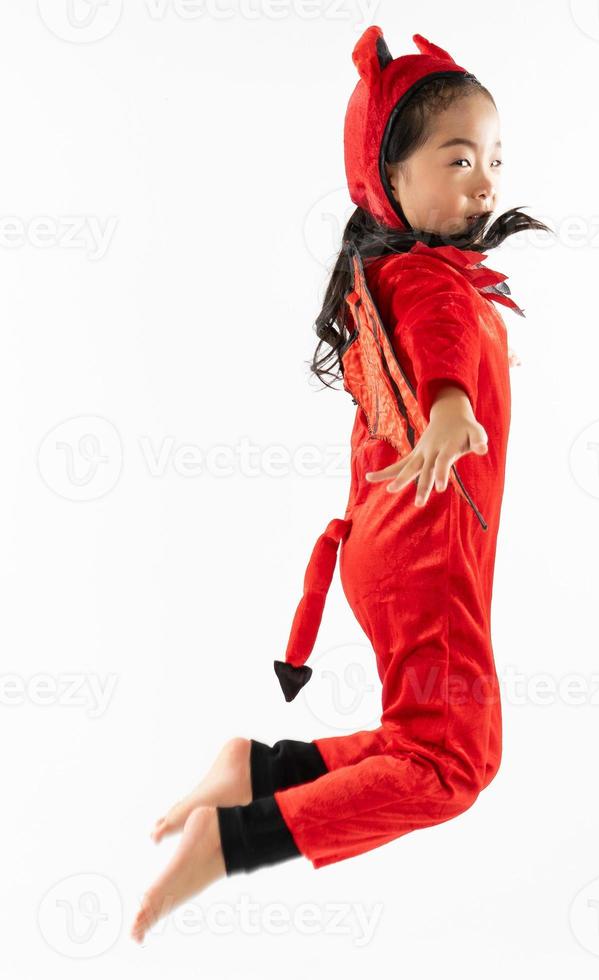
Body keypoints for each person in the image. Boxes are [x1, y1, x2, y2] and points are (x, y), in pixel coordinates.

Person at [131, 25, 550, 945]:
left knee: (428, 742)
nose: (485, 178)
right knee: (453, 763)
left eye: (495, 157)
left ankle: (256, 770)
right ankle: (236, 838)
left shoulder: (397, 273)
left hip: (393, 542)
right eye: (458, 157)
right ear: (390, 182)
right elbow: (442, 362)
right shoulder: (432, 283)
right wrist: (451, 411)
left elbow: (438, 347)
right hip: (426, 543)